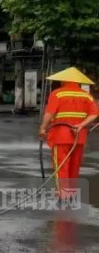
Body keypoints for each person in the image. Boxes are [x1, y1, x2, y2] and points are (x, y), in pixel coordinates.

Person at [38, 67, 98, 195]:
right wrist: (81, 125)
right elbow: (94, 114)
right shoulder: (86, 95)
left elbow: (49, 113)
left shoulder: (58, 93)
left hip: (60, 136)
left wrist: (43, 128)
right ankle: (71, 191)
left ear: (64, 81)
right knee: (74, 165)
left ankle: (63, 192)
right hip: (79, 137)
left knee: (61, 165)